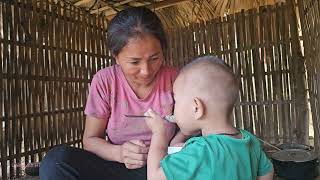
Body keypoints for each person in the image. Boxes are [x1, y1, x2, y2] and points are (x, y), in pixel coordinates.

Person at [39, 7, 188, 180]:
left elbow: (192, 126)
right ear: (116, 57)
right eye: (134, 62)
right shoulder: (105, 81)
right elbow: (91, 140)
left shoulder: (175, 79)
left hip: (166, 169)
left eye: (154, 58)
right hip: (120, 169)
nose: (146, 71)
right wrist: (120, 153)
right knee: (57, 160)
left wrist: (177, 142)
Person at [145, 56, 274, 180]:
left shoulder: (200, 151)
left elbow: (155, 177)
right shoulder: (249, 141)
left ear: (196, 108)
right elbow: (267, 172)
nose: (174, 108)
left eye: (176, 101)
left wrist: (159, 133)